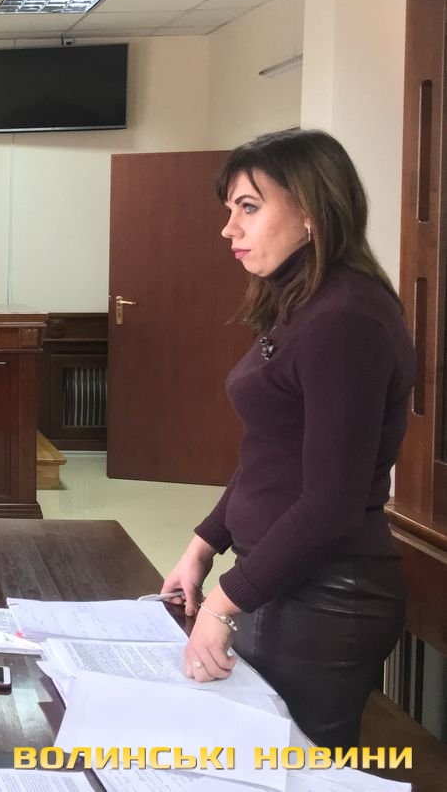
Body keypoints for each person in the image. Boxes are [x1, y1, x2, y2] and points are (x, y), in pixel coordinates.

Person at [161, 129, 415, 750]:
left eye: (248, 207)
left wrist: (224, 603)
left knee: (292, 770)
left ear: (311, 210)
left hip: (327, 596)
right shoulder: (303, 302)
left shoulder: (345, 318)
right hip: (282, 577)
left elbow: (330, 502)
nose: (229, 228)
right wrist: (204, 544)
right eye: (230, 209)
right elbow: (272, 453)